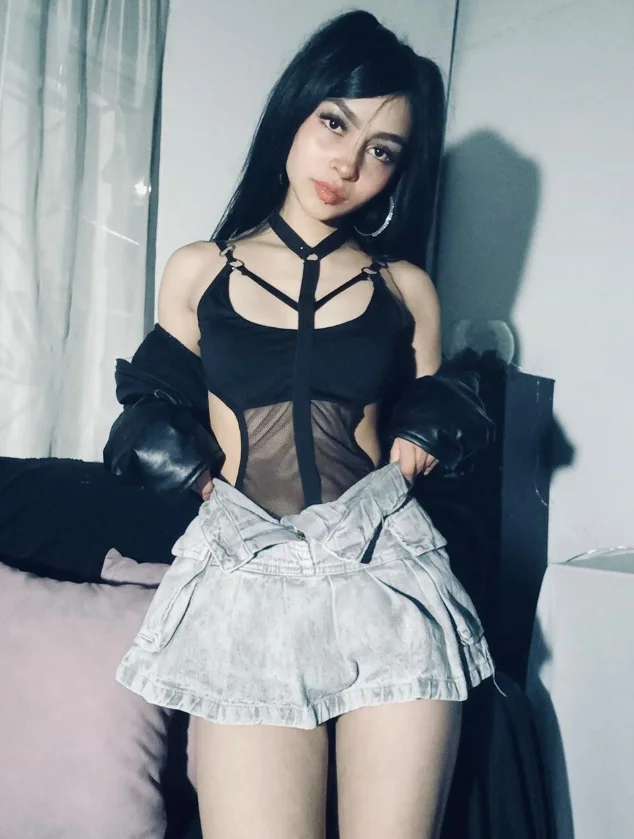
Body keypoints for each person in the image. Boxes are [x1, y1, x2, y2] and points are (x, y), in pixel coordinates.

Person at [107, 11, 496, 839]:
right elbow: (150, 404)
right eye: (335, 123)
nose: (348, 164)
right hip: (249, 576)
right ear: (295, 111)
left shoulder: (406, 287)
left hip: (384, 572)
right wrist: (197, 479)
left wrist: (423, 446)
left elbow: (438, 407)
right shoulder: (200, 270)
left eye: (382, 149)